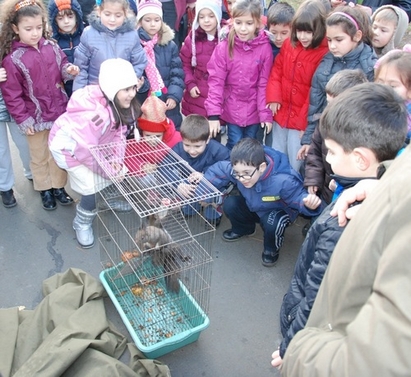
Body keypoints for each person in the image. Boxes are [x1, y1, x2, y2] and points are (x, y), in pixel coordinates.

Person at [271, 82, 408, 369]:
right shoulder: (370, 189)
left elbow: (314, 295)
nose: (326, 159)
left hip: (310, 337)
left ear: (359, 159)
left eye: (331, 152)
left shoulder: (341, 223)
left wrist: (291, 348)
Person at [49, 58, 140, 248]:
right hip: (69, 150)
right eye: (126, 89)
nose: (132, 94)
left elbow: (120, 133)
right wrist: (107, 170)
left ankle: (106, 200)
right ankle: (82, 222)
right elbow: (86, 153)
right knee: (92, 185)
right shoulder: (93, 116)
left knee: (117, 170)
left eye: (133, 87)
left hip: (96, 144)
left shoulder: (117, 102)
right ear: (112, 88)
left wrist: (115, 159)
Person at [0, 0, 79, 211]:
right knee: (39, 156)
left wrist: (68, 69)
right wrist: (23, 119)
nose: (35, 33)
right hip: (34, 117)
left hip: (58, 111)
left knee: (58, 153)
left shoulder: (51, 46)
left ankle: (59, 187)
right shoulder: (12, 59)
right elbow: (12, 95)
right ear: (16, 29)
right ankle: (45, 190)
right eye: (28, 29)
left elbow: (62, 65)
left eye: (38, 27)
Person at [198, 138, 323, 266]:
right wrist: (202, 192)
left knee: (273, 222)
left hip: (276, 211)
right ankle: (244, 229)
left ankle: (271, 249)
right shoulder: (241, 168)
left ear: (262, 167)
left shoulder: (283, 180)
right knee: (230, 203)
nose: (241, 179)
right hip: (254, 206)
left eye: (246, 174)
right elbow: (219, 170)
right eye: (237, 174)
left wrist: (308, 204)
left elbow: (298, 197)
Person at [298, 6, 377, 161]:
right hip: (324, 137)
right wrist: (308, 139)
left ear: (357, 36)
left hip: (352, 143)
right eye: (329, 40)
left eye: (339, 40)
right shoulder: (326, 62)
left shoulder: (370, 68)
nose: (332, 46)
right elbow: (317, 104)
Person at [266, 0, 329, 173]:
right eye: (300, 31)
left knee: (296, 159)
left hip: (300, 120)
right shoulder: (289, 44)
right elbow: (277, 70)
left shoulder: (324, 54)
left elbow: (315, 92)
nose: (303, 36)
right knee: (276, 153)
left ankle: (292, 191)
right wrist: (273, 96)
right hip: (281, 111)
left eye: (309, 32)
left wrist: (305, 124)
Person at [205, 0, 273, 149]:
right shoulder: (224, 47)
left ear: (257, 23)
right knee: (234, 144)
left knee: (251, 147)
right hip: (232, 109)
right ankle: (233, 172)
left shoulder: (264, 48)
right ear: (232, 21)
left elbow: (264, 84)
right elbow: (216, 81)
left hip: (254, 110)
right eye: (238, 22)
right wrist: (213, 114)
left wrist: (265, 114)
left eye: (249, 23)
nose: (243, 28)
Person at [304, 69, 368, 206]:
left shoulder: (364, 132)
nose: (330, 108)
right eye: (328, 102)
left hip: (348, 199)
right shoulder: (325, 121)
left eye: (336, 104)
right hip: (326, 192)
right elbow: (315, 152)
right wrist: (313, 180)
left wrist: (342, 185)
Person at [72, 0, 147, 91]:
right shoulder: (89, 34)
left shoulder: (132, 35)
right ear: (99, 12)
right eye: (107, 14)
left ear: (125, 14)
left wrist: (131, 81)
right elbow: (81, 67)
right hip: (95, 92)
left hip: (121, 93)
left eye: (118, 15)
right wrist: (79, 94)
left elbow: (139, 62)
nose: (112, 19)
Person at [172, 114, 230, 226]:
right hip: (190, 184)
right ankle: (192, 208)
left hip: (213, 184)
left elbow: (229, 170)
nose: (192, 150)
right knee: (188, 200)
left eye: (197, 146)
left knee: (212, 202)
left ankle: (213, 214)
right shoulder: (178, 148)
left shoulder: (219, 150)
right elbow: (164, 167)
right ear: (182, 139)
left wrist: (206, 176)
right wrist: (177, 184)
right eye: (187, 145)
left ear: (207, 139)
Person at [136, 0, 185, 130]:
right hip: (145, 100)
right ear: (140, 21)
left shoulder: (169, 44)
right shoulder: (135, 45)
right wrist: (142, 86)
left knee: (171, 132)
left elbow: (177, 74)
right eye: (148, 20)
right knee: (148, 132)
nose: (153, 24)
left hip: (167, 99)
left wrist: (174, 96)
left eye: (157, 20)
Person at [180, 0, 224, 120]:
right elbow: (184, 63)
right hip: (197, 94)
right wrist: (190, 83)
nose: (206, 20)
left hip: (219, 94)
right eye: (202, 16)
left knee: (215, 133)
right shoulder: (192, 39)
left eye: (211, 16)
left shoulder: (226, 38)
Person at [0, 69, 32, 208]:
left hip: (17, 102)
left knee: (25, 143)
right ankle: (5, 187)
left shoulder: (11, 46)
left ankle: (32, 173)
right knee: (1, 151)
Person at [48, 0, 85, 98]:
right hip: (65, 92)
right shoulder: (52, 43)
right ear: (54, 21)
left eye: (70, 16)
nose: (66, 21)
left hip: (87, 88)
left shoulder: (86, 36)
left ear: (77, 17)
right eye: (60, 18)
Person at [374, 47, 411, 144]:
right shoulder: (372, 102)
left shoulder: (407, 116)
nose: (384, 88)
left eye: (393, 86)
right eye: (380, 82)